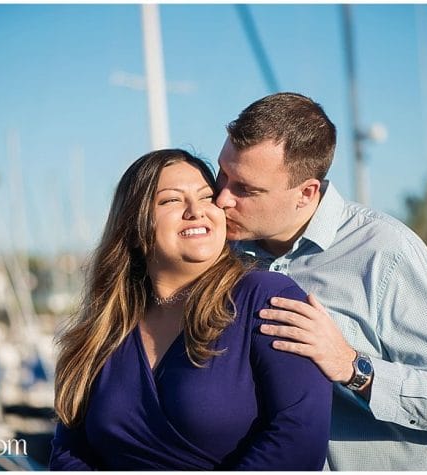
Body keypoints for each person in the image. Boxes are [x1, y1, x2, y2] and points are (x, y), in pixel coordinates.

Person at [214, 92, 427, 470]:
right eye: (222, 174)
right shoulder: (221, 255)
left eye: (245, 189)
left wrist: (352, 367)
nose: (222, 199)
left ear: (306, 193)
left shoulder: (387, 253)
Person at [49, 149, 331, 470]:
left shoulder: (266, 297)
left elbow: (298, 438)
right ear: (135, 226)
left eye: (207, 197)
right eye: (171, 200)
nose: (196, 211)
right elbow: (69, 453)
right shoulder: (102, 332)